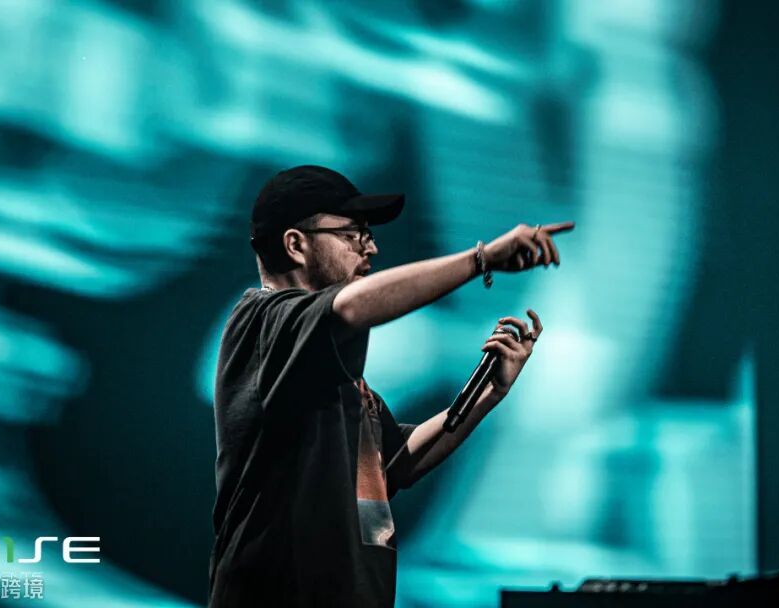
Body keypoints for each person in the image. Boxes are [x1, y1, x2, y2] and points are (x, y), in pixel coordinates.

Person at [208, 165, 573, 607]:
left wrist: (488, 393)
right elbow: (351, 307)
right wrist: (481, 259)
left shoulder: (341, 382)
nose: (371, 247)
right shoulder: (261, 320)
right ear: (295, 244)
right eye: (352, 234)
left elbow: (399, 464)